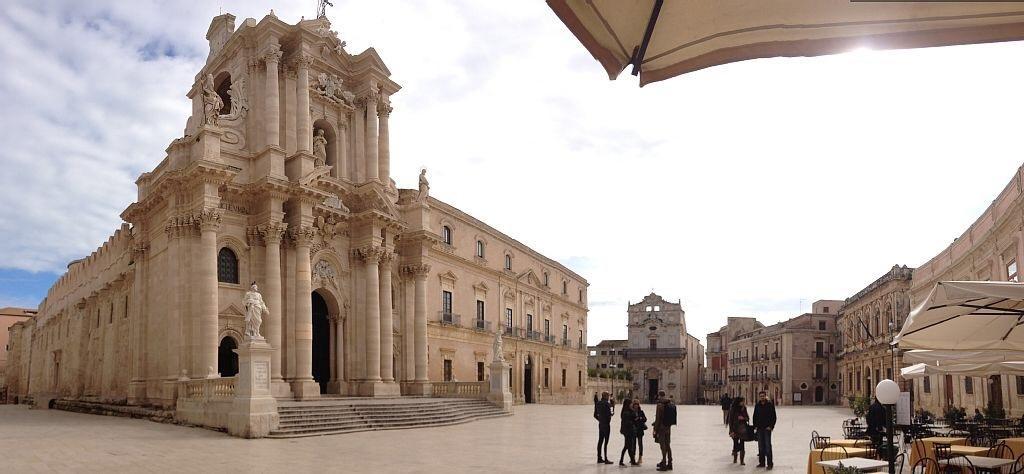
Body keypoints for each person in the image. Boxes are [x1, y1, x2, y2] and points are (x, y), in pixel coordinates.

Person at [753, 391, 777, 470]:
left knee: (768, 446)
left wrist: (771, 426)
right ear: (759, 397)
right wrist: (755, 426)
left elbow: (774, 416)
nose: (762, 397)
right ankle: (762, 463)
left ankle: (770, 464)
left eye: (763, 396)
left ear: (765, 396)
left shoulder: (770, 405)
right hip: (759, 428)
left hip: (767, 428)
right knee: (760, 446)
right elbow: (755, 416)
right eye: (761, 396)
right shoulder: (757, 405)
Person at [654, 390, 676, 472]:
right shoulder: (670, 403)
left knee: (662, 446)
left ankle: (664, 463)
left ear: (659, 395)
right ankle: (670, 463)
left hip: (661, 428)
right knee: (668, 445)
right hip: (668, 427)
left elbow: (658, 418)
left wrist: (655, 429)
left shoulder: (659, 404)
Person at [728, 396, 750, 465]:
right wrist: (731, 431)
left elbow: (747, 418)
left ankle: (742, 460)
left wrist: (743, 418)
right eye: (742, 401)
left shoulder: (744, 409)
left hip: (743, 429)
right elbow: (730, 420)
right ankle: (735, 458)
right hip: (735, 429)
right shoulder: (733, 409)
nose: (743, 403)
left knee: (742, 444)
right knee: (735, 443)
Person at [594, 392, 613, 464]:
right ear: (606, 396)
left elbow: (595, 415)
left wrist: (600, 420)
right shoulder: (607, 404)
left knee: (600, 441)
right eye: (608, 396)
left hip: (601, 424)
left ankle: (599, 457)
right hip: (606, 425)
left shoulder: (598, 403)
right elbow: (609, 415)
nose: (608, 397)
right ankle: (606, 459)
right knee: (606, 442)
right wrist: (609, 418)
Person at [618, 398, 638, 466]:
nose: (632, 404)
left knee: (629, 447)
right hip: (628, 431)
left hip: (628, 431)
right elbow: (627, 422)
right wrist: (633, 421)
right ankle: (621, 461)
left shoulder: (627, 411)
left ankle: (632, 461)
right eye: (631, 403)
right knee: (627, 446)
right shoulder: (626, 412)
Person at [632, 400, 648, 465]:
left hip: (640, 430)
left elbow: (645, 419)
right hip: (633, 430)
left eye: (637, 404)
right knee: (633, 444)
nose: (636, 405)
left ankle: (640, 457)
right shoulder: (631, 412)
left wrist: (640, 418)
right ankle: (633, 457)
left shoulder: (641, 412)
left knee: (640, 444)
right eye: (635, 404)